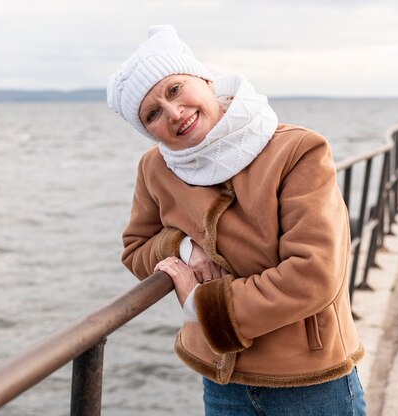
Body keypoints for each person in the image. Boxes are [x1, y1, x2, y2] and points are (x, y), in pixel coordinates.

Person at [107, 25, 366, 415]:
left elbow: (315, 274)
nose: (174, 113)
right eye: (153, 114)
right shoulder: (155, 167)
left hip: (309, 379)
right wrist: (184, 248)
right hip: (220, 379)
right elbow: (136, 250)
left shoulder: (297, 150)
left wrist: (204, 307)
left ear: (204, 78)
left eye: (174, 89)